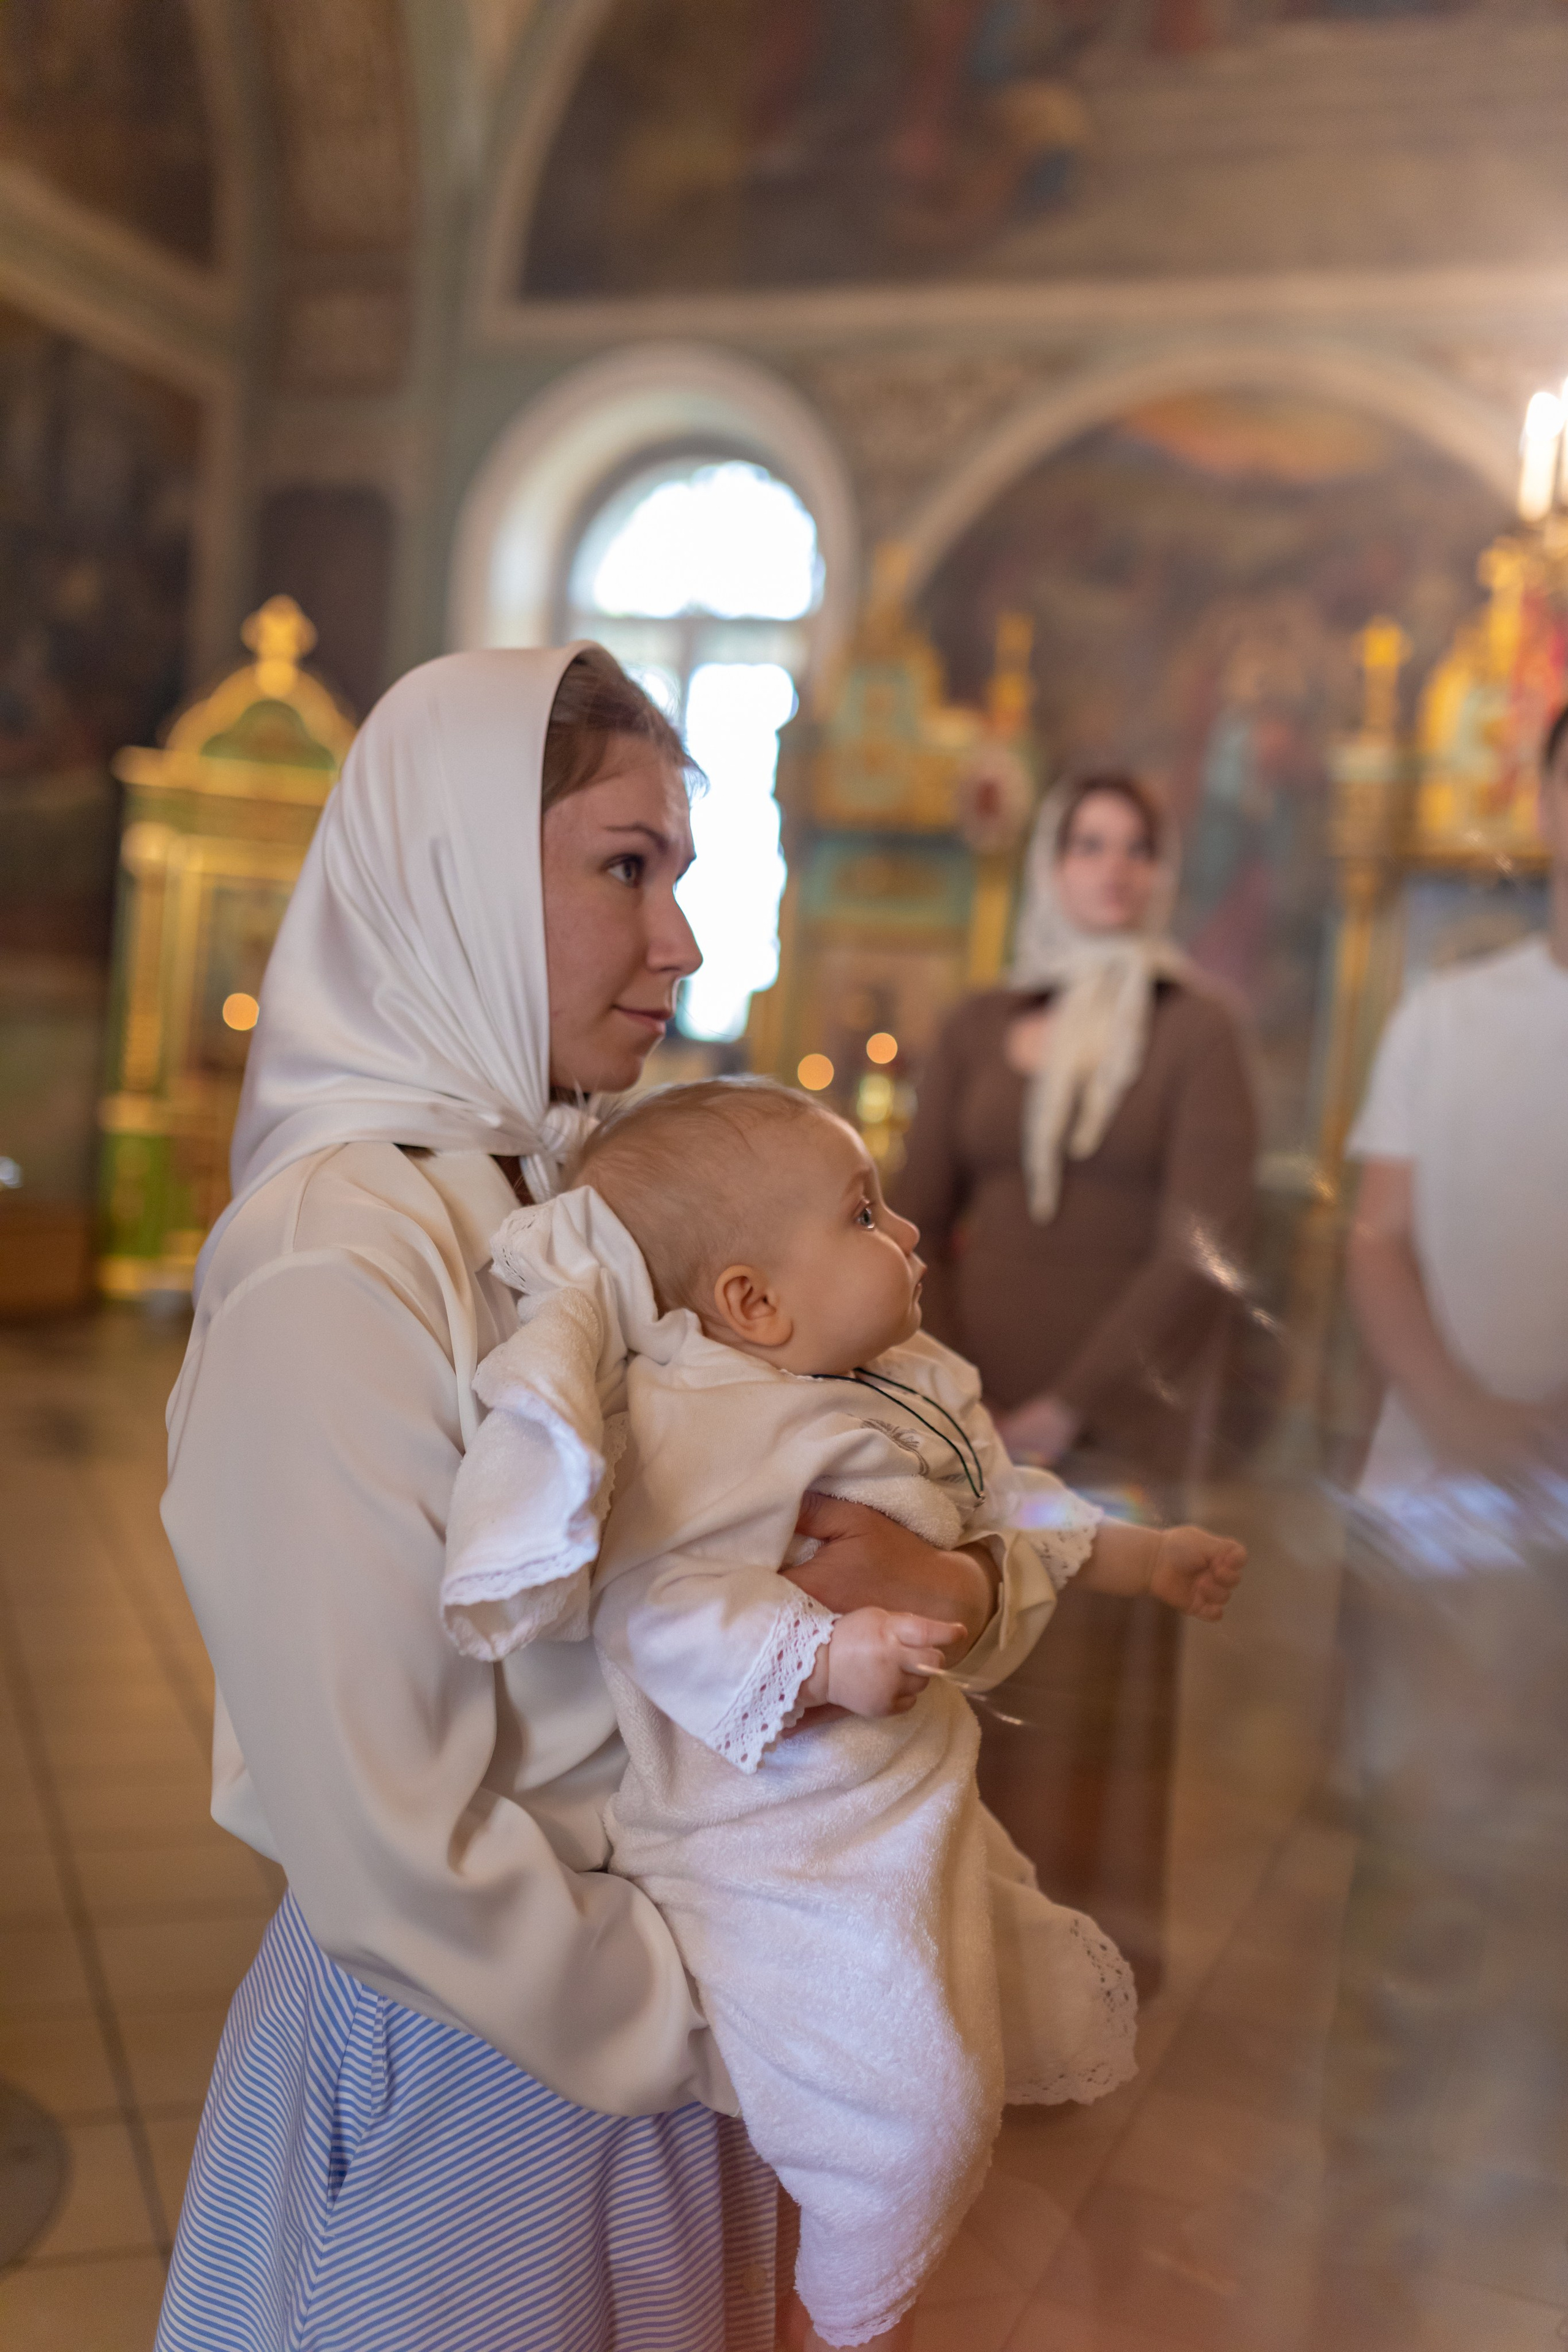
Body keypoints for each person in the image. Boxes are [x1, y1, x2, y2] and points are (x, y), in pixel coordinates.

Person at [154, 644, 1013, 2352]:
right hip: (489, 2052)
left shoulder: (562, 1194)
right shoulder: (338, 1257)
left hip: (655, 2021)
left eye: (678, 873)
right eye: (627, 867)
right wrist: (702, 2014)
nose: (677, 940)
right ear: (456, 875)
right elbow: (390, 1839)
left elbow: (826, 1489)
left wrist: (951, 1580)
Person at [442, 1077, 1244, 2352]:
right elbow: (656, 1606)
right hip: (772, 1828)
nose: (910, 1232)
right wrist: (820, 1656)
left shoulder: (898, 1378)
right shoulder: (707, 1421)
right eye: (864, 1215)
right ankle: (849, 2308)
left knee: (959, 2004)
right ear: (753, 1300)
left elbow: (1003, 1498)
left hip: (899, 1790)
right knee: (911, 2103)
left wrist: (1142, 1555)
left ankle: (856, 2278)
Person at [893, 774, 1257, 1985]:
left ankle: (1087, 1964)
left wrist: (1068, 1408)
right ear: (1051, 864)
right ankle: (964, 1952)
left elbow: (1202, 1250)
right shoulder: (977, 1021)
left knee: (1092, 1682)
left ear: (1161, 872)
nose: (1112, 868)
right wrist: (952, 1393)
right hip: (971, 1412)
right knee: (968, 1650)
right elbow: (911, 1217)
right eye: (1088, 844)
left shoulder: (1196, 1031)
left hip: (1115, 1418)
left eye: (1136, 848)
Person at [1322, 707, 1568, 2323]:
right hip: (1443, 1522)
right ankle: (1373, 2248)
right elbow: (1375, 1240)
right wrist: (1471, 1417)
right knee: (1417, 1888)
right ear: (1544, 803)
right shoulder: (1449, 1012)